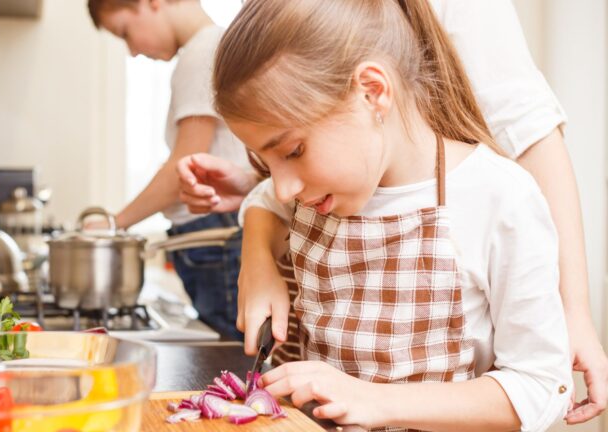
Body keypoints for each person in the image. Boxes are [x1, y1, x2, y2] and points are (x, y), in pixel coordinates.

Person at [177, 0, 608, 425]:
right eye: (267, 162)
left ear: (373, 92)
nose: (284, 184)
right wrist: (257, 259)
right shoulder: (323, 183)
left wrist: (372, 400)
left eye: (293, 150)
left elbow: (540, 386)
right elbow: (265, 200)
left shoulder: (498, 197)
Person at [86, 0, 253, 340]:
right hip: (212, 236)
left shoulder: (202, 52)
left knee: (231, 360)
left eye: (124, 33)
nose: (132, 51)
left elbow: (185, 166)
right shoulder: (210, 48)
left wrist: (113, 224)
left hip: (215, 235)